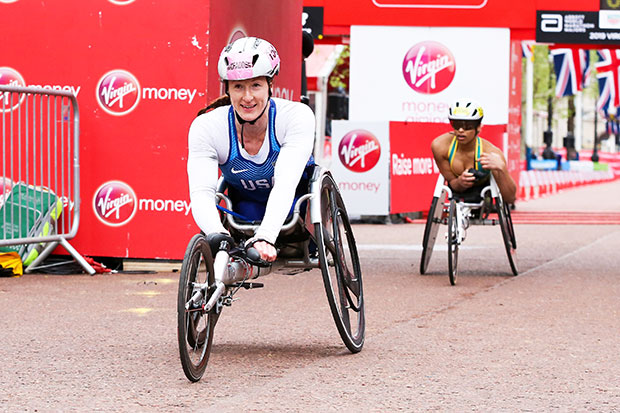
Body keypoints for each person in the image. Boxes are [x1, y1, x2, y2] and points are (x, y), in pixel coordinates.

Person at [187, 36, 316, 262]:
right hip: (246, 205)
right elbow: (202, 192)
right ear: (227, 89)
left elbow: (285, 184)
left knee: (287, 218)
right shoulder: (207, 126)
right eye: (238, 87)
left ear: (270, 86)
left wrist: (266, 236)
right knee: (244, 222)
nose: (247, 97)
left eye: (256, 85)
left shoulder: (296, 116)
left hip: (293, 203)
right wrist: (217, 234)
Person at [431, 99, 516, 204]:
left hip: (484, 190)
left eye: (468, 126)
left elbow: (510, 198)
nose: (461, 130)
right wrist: (460, 182)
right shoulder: (440, 146)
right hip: (457, 189)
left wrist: (502, 169)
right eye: (457, 125)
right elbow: (452, 183)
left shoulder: (491, 153)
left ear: (479, 127)